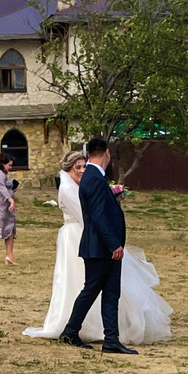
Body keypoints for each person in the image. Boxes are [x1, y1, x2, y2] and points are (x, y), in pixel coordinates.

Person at [25, 151, 171, 346]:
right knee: (84, 283)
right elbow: (87, 215)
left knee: (99, 285)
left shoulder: (81, 185)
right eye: (78, 167)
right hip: (78, 236)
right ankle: (78, 328)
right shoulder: (67, 189)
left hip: (88, 234)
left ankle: (99, 330)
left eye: (84, 166)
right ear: (68, 168)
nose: (82, 170)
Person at [57, 137, 137, 355]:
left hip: (105, 247)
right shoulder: (92, 177)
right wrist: (114, 244)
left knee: (111, 293)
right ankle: (70, 332)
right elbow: (98, 216)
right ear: (107, 154)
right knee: (91, 290)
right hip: (100, 247)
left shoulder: (95, 177)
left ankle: (112, 338)